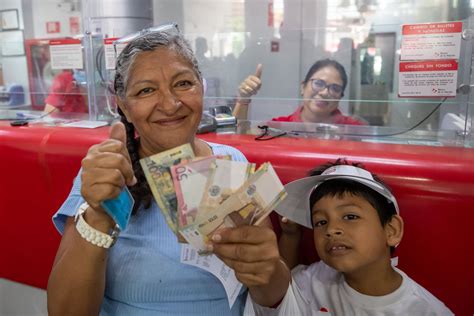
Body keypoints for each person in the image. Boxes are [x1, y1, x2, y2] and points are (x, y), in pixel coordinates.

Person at [47, 26, 255, 315]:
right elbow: (65, 311)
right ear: (124, 106)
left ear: (201, 87)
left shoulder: (230, 161)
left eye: (183, 83)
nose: (170, 104)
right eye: (146, 90)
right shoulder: (107, 173)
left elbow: (265, 278)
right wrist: (98, 214)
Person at [210, 159, 453, 315]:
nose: (331, 230)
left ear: (391, 231)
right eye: (321, 222)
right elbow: (282, 293)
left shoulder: (425, 310)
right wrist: (289, 239)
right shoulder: (313, 279)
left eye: (350, 217)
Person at [233, 59, 366, 125]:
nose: (325, 92)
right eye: (318, 83)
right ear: (303, 87)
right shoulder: (280, 126)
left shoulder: (355, 129)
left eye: (335, 88)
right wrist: (243, 99)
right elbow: (238, 138)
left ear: (341, 97)